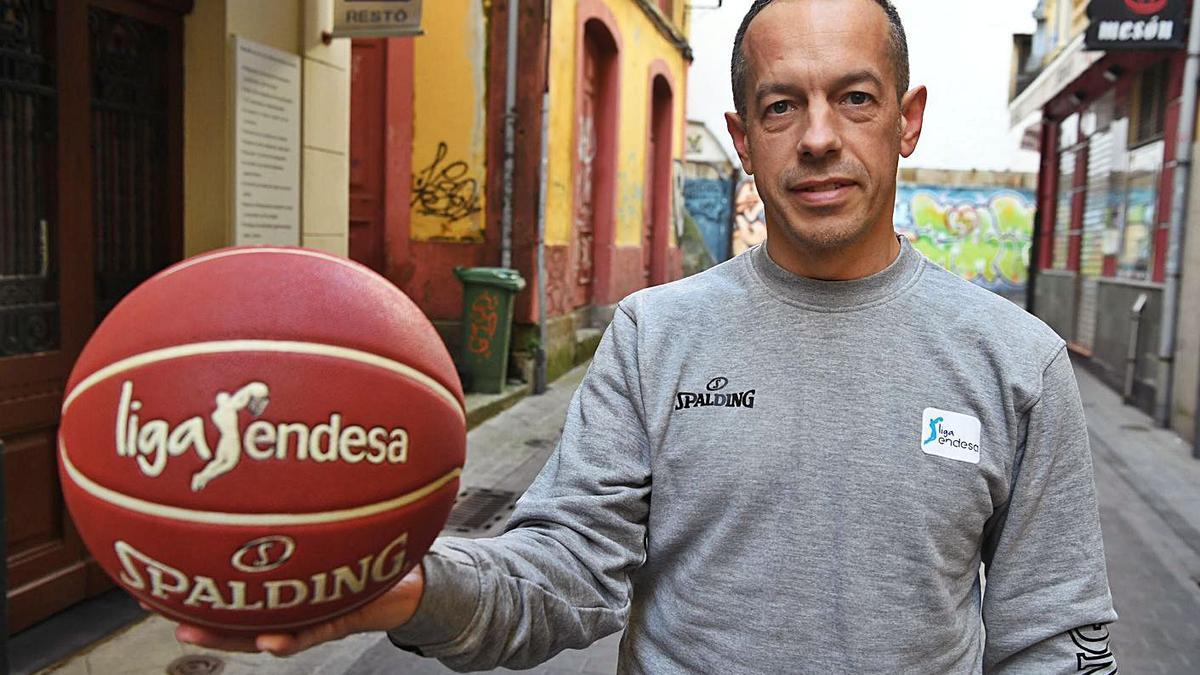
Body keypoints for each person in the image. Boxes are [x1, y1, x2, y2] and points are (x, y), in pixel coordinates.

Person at [178, 0, 1118, 671]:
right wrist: (410, 589)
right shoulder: (654, 334)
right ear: (742, 137)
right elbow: (568, 569)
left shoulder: (1013, 360)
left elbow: (1053, 634)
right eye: (782, 104)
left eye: (857, 98)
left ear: (906, 120)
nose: (820, 136)